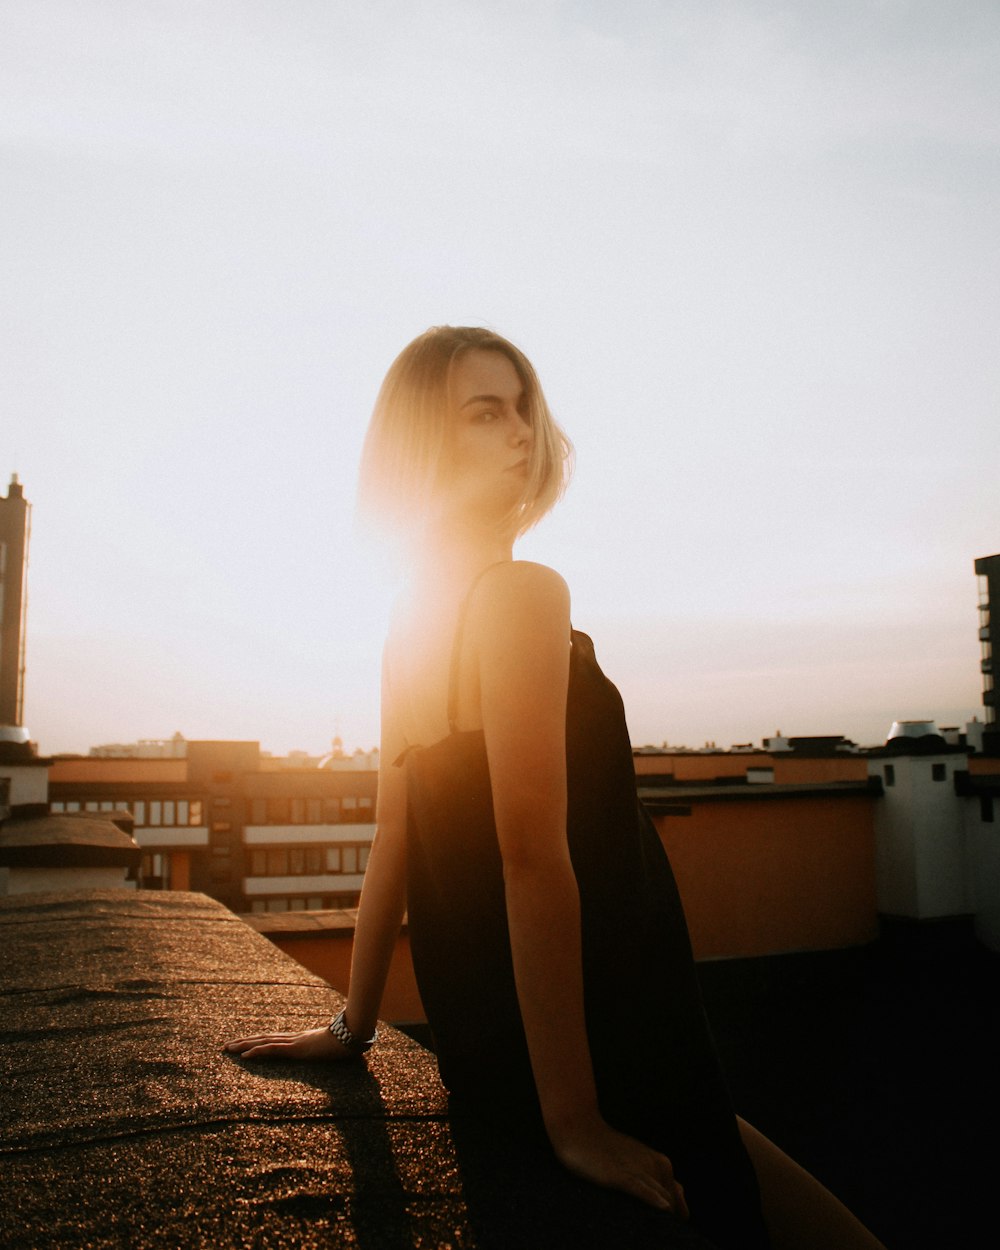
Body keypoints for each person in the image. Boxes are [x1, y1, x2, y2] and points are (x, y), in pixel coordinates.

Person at [225, 326, 886, 1250]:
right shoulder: (521, 593)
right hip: (607, 1024)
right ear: (428, 445)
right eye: (485, 411)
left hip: (493, 1041)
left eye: (524, 406)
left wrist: (355, 1025)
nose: (522, 430)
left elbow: (393, 842)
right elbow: (532, 857)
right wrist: (574, 1121)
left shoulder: (406, 623)